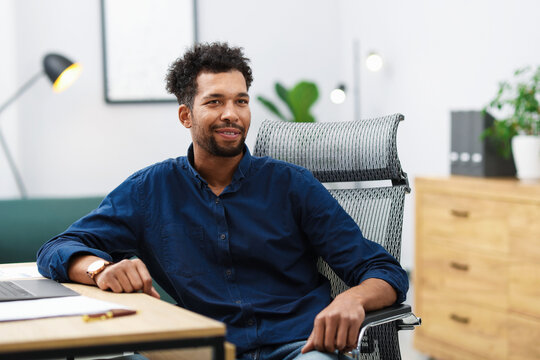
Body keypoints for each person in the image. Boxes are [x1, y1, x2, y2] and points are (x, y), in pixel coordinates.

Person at [37, 42, 408, 360]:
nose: (231, 113)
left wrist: (353, 299)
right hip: (206, 350)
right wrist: (100, 270)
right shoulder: (149, 190)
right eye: (215, 101)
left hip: (301, 347)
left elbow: (385, 271)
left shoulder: (292, 185)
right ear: (186, 115)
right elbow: (57, 249)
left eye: (240, 101)